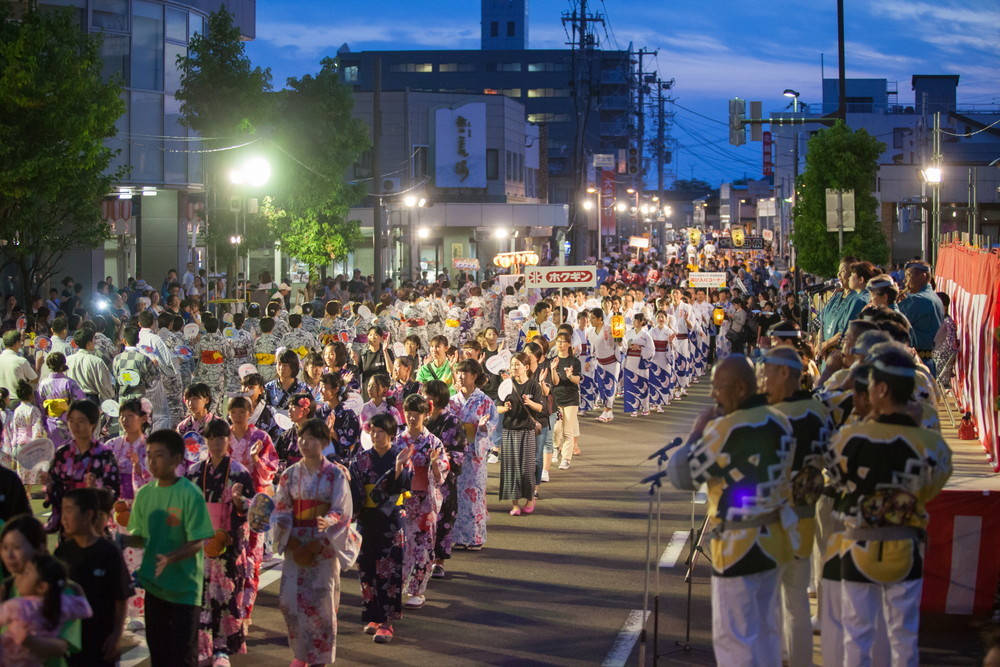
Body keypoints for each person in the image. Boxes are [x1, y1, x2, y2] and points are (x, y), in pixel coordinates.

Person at [825, 347, 952, 666]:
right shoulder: (931, 444)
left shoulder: (848, 437)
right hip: (907, 548)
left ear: (881, 390)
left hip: (858, 546)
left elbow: (836, 482)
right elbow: (932, 487)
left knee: (856, 635)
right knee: (904, 637)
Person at [666, 355, 795, 666]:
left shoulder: (724, 430)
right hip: (776, 539)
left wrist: (697, 432)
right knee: (767, 633)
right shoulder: (781, 421)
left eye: (718, 387)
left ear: (740, 388)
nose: (714, 395)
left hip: (739, 545)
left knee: (735, 638)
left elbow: (682, 475)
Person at [760, 347, 833, 667]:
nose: (763, 379)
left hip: (767, 523)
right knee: (797, 603)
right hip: (803, 518)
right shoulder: (818, 409)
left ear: (786, 373)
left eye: (767, 372)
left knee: (768, 603)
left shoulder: (767, 414)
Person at [127, 429, 216, 667]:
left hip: (185, 589)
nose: (151, 461)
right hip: (155, 586)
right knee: (159, 652)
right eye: (148, 455)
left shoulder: (190, 493)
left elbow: (197, 541)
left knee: (183, 655)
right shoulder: (144, 494)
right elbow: (139, 538)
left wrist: (170, 558)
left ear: (177, 459)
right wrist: (116, 541)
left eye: (158, 455)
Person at [271, 418, 355, 666]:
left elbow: (342, 510)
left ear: (324, 442)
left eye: (311, 438)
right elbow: (281, 509)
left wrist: (326, 528)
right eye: (301, 437)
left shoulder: (335, 475)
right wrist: (293, 543)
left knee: (321, 603)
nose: (304, 442)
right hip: (295, 543)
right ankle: (300, 653)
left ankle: (318, 656)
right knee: (290, 602)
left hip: (323, 546)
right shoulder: (289, 475)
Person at [185, 419, 254, 666]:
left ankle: (222, 648)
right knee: (201, 593)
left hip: (227, 539)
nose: (216, 443)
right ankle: (203, 645)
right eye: (211, 437)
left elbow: (253, 509)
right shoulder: (193, 472)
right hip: (200, 540)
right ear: (205, 440)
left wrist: (239, 502)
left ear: (228, 441)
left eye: (221, 438)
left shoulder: (239, 472)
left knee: (226, 593)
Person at [348, 413, 412, 644]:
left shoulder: (400, 455)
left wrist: (397, 467)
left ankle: (387, 621)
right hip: (366, 517)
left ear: (391, 435)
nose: (375, 435)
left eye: (381, 431)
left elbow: (405, 485)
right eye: (372, 430)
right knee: (366, 568)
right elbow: (355, 488)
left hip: (391, 520)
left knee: (388, 569)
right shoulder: (361, 458)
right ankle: (373, 616)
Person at [54, 488, 132, 667]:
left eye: (69, 510)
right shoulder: (63, 552)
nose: (63, 518)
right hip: (69, 639)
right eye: (62, 510)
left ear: (88, 514)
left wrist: (116, 636)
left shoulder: (109, 552)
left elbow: (121, 598)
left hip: (101, 640)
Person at [396, 394, 448, 609]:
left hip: (425, 499)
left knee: (423, 544)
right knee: (401, 544)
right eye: (408, 413)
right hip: (403, 500)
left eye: (416, 414)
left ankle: (417, 590)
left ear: (425, 415)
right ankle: (397, 584)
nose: (411, 418)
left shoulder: (433, 441)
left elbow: (441, 474)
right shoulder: (398, 439)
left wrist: (435, 464)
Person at [0, 553, 93, 667]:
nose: (19, 576)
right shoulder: (62, 604)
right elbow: (86, 610)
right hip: (37, 661)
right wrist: (75, 587)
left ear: (42, 587)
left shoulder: (18, 606)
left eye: (26, 573)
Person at [43, 400, 120, 534]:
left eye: (81, 421)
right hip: (68, 524)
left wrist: (97, 488)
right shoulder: (63, 453)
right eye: (71, 420)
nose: (75, 426)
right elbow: (56, 487)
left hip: (94, 524)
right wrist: (49, 484)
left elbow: (114, 490)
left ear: (93, 423)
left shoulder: (104, 454)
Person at [449, 359, 499, 551]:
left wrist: (484, 427)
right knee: (457, 496)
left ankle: (476, 536)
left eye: (465, 373)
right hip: (456, 453)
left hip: (474, 453)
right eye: (459, 372)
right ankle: (459, 536)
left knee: (475, 494)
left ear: (474, 376)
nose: (460, 376)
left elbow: (493, 424)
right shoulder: (453, 401)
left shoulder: (484, 401)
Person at [422, 380, 466, 579]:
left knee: (444, 519)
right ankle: (422, 559)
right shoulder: (420, 419)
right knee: (422, 520)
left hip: (444, 479)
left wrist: (442, 457)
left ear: (437, 397)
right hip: (422, 477)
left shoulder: (452, 421)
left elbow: (459, 452)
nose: (424, 398)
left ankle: (439, 562)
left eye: (427, 394)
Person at [498, 352, 542, 516]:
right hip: (509, 429)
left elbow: (540, 408)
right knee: (511, 469)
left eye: (518, 364)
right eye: (512, 364)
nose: (514, 367)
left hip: (527, 430)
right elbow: (497, 407)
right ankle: (515, 505)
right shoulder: (506, 385)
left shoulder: (533, 386)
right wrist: (505, 408)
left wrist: (530, 402)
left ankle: (530, 499)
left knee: (527, 469)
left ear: (526, 367)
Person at [898, 261, 945, 377]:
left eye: (909, 275)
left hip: (916, 363)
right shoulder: (934, 297)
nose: (905, 281)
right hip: (927, 361)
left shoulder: (918, 299)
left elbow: (892, 320)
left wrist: (891, 302)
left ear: (923, 276)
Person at [549, 333, 582, 470]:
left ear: (569, 344)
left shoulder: (574, 361)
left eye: (563, 341)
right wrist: (553, 370)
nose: (560, 344)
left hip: (571, 399)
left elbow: (577, 381)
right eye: (558, 341)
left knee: (568, 431)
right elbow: (554, 382)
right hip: (556, 398)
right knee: (556, 429)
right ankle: (556, 447)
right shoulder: (552, 360)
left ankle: (566, 458)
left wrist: (570, 376)